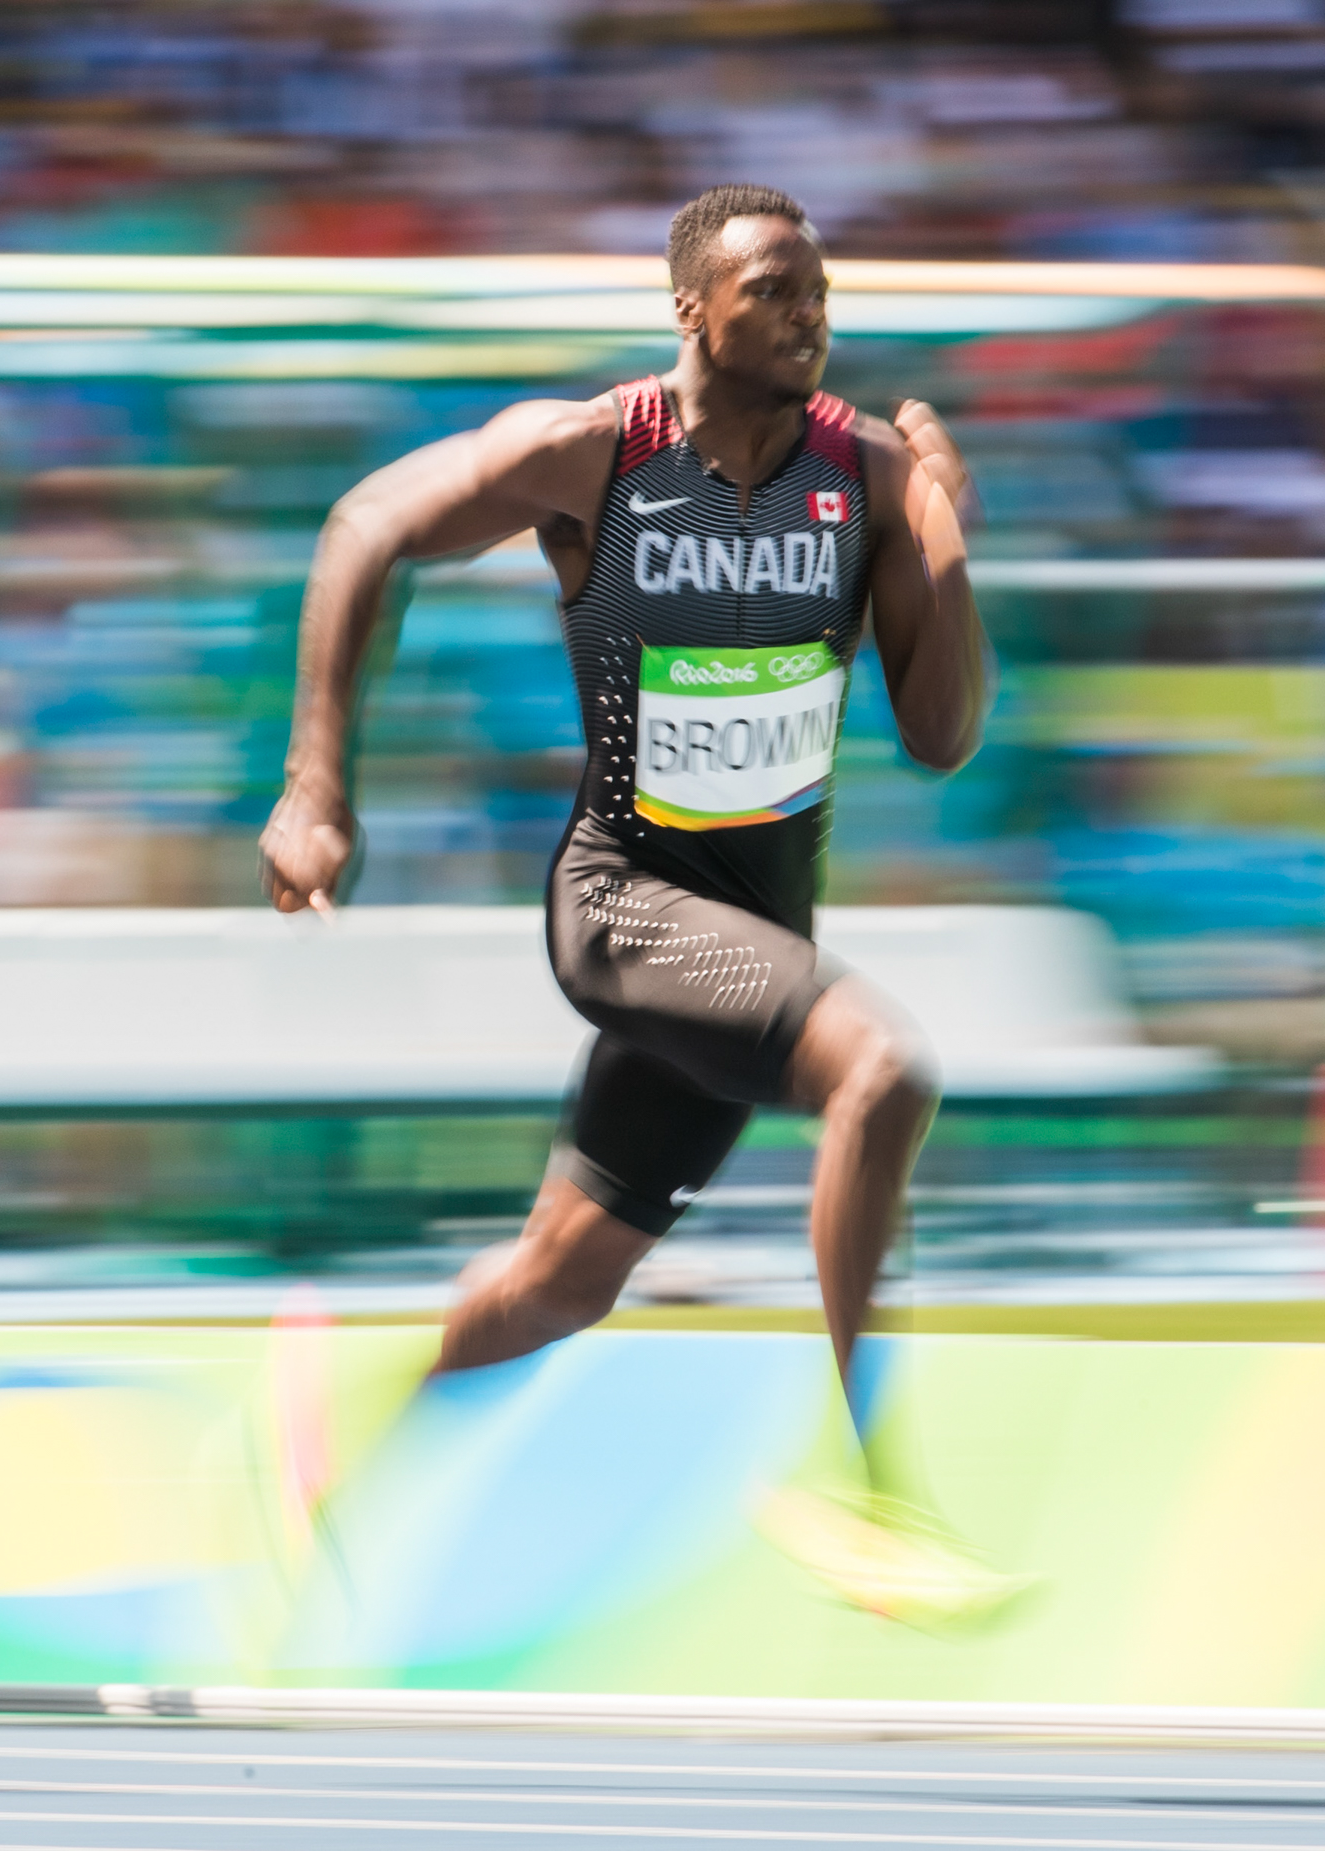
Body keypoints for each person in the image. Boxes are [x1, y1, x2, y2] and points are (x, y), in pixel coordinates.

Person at [259, 185, 1004, 1618]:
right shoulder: (594, 455)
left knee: (560, 1281)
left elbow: (941, 733)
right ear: (690, 308)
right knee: (887, 1070)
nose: (810, 315)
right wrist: (315, 786)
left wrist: (942, 542)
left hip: (753, 947)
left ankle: (322, 1450)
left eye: (821, 292)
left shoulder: (861, 473)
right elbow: (365, 526)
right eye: (777, 288)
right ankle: (871, 1487)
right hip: (625, 907)